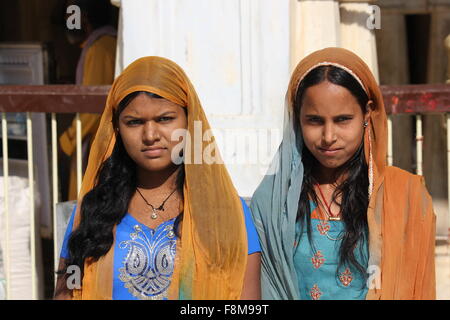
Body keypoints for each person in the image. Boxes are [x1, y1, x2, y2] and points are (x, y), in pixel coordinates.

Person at [54, 56, 261, 300]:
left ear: (188, 121)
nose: (150, 135)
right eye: (134, 122)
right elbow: (65, 294)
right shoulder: (94, 211)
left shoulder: (225, 212)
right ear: (118, 130)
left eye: (165, 119)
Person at [250, 47, 436, 300]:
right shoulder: (273, 201)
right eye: (314, 121)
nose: (328, 137)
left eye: (342, 120)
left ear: (367, 113)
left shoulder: (405, 196)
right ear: (297, 118)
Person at [60, 0, 117, 201]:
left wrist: (68, 139)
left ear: (84, 17)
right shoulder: (98, 45)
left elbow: (92, 107)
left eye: (71, 16)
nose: (68, 22)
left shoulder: (100, 48)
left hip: (95, 144)